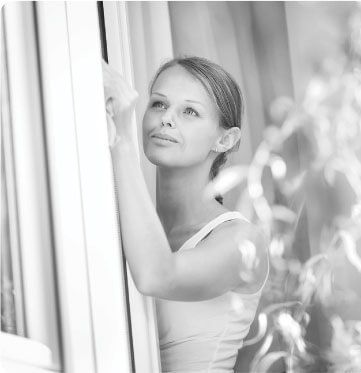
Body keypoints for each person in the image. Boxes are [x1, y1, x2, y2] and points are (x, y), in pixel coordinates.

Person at [102, 56, 269, 373]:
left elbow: (156, 275)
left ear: (225, 139)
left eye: (189, 111)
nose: (166, 119)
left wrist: (121, 141)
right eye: (159, 104)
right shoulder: (127, 223)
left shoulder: (242, 241)